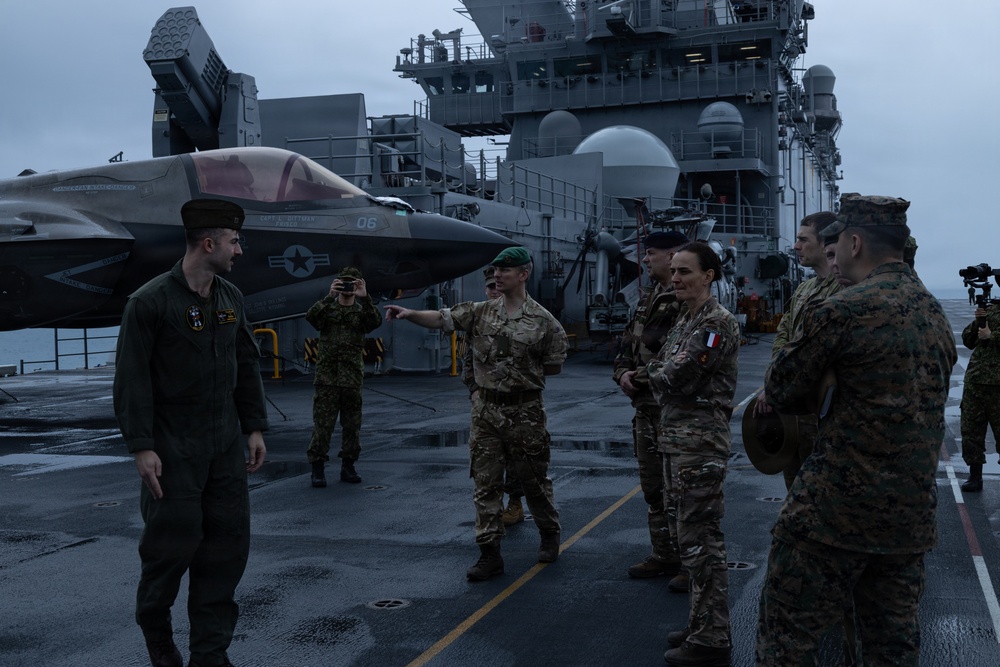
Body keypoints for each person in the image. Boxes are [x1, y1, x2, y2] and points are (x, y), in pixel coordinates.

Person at [756, 194, 957, 666]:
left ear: (854, 243)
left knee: (786, 641)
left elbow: (782, 388)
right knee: (891, 647)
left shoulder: (842, 310)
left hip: (833, 514)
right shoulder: (933, 312)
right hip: (908, 518)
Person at [113, 198, 269, 667]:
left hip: (224, 448)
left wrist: (254, 426)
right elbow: (132, 380)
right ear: (209, 244)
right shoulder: (149, 302)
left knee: (225, 552)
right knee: (169, 549)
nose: (239, 250)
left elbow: (246, 363)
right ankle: (158, 638)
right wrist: (141, 446)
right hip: (172, 449)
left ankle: (210, 654)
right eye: (234, 241)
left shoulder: (230, 298)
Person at [385, 246, 568, 581]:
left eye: (505, 270)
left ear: (523, 274)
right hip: (486, 412)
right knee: (485, 484)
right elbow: (442, 318)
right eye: (495, 270)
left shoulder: (544, 321)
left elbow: (554, 364)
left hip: (525, 412)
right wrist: (409, 313)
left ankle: (549, 533)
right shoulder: (479, 312)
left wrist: (518, 376)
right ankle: (489, 553)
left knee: (534, 481)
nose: (497, 275)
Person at [647, 241, 740, 667]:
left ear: (709, 276)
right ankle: (701, 623)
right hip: (678, 442)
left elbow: (679, 375)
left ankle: (712, 638)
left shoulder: (716, 323)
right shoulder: (688, 319)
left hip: (699, 447)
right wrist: (656, 373)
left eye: (685, 271)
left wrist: (645, 375)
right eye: (675, 271)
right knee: (687, 540)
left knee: (701, 541)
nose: (677, 278)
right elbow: (667, 368)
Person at [612, 230, 687, 583]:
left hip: (672, 410)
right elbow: (628, 340)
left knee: (680, 490)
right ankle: (664, 554)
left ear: (672, 256)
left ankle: (689, 562)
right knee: (653, 487)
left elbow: (678, 355)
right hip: (644, 407)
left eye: (651, 252)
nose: (644, 258)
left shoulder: (685, 299)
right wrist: (621, 373)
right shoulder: (649, 297)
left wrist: (636, 378)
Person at [753, 212, 842, 490]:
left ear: (824, 243)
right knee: (794, 490)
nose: (795, 246)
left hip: (821, 414)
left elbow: (817, 352)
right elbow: (783, 336)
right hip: (791, 413)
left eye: (803, 239)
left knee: (821, 492)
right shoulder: (805, 288)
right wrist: (774, 384)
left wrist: (779, 387)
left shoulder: (843, 290)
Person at [305, 266, 383, 487]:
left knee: (352, 426)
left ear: (359, 284)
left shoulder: (362, 312)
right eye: (344, 282)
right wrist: (329, 296)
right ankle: (317, 468)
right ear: (337, 283)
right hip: (327, 379)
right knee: (323, 425)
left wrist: (365, 298)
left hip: (351, 379)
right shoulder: (327, 309)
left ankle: (348, 466)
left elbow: (375, 322)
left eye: (352, 282)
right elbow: (310, 317)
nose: (348, 287)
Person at [462, 268, 526, 526]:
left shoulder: (522, 316)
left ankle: (515, 503)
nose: (494, 291)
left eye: (497, 286)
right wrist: (473, 389)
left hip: (515, 402)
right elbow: (469, 360)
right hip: (485, 402)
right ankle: (491, 505)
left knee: (516, 455)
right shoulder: (477, 319)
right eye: (490, 287)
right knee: (485, 456)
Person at [959, 299, 1000, 492]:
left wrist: (992, 336)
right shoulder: (990, 310)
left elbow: (990, 337)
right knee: (971, 431)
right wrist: (978, 322)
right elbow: (968, 340)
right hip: (976, 382)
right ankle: (975, 476)